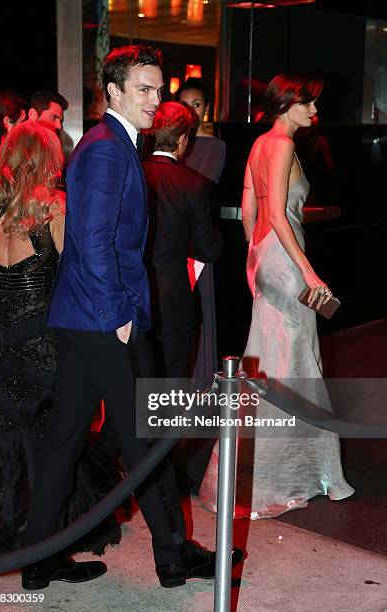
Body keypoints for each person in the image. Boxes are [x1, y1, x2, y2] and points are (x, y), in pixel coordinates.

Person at [21, 45, 241, 591]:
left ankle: (39, 556)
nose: (155, 98)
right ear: (113, 92)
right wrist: (118, 314)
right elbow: (92, 240)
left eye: (158, 88)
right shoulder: (106, 150)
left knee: (67, 439)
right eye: (144, 88)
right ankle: (171, 556)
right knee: (146, 437)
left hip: (83, 318)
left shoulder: (113, 145)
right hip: (103, 320)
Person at [200, 73, 354, 518]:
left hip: (266, 261)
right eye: (309, 104)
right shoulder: (283, 145)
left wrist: (255, 263)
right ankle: (299, 476)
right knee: (296, 366)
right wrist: (309, 273)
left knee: (269, 363)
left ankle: (263, 472)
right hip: (287, 264)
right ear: (288, 103)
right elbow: (276, 215)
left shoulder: (259, 143)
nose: (315, 112)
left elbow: (249, 211)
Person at [0, 121, 121, 557]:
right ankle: (45, 531)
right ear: (49, 160)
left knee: (1, 425)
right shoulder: (55, 208)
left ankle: (2, 519)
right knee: (49, 428)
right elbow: (76, 273)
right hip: (40, 332)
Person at [143, 101, 222, 378]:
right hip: (175, 295)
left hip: (134, 292)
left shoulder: (134, 173)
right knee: (173, 380)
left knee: (137, 380)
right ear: (182, 139)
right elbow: (209, 249)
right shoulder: (194, 184)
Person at [175, 78, 226, 494]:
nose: (190, 111)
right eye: (184, 105)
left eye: (197, 103)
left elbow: (195, 189)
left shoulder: (212, 147)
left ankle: (197, 447)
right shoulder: (173, 149)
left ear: (206, 106)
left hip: (197, 256)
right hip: (177, 252)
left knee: (201, 339)